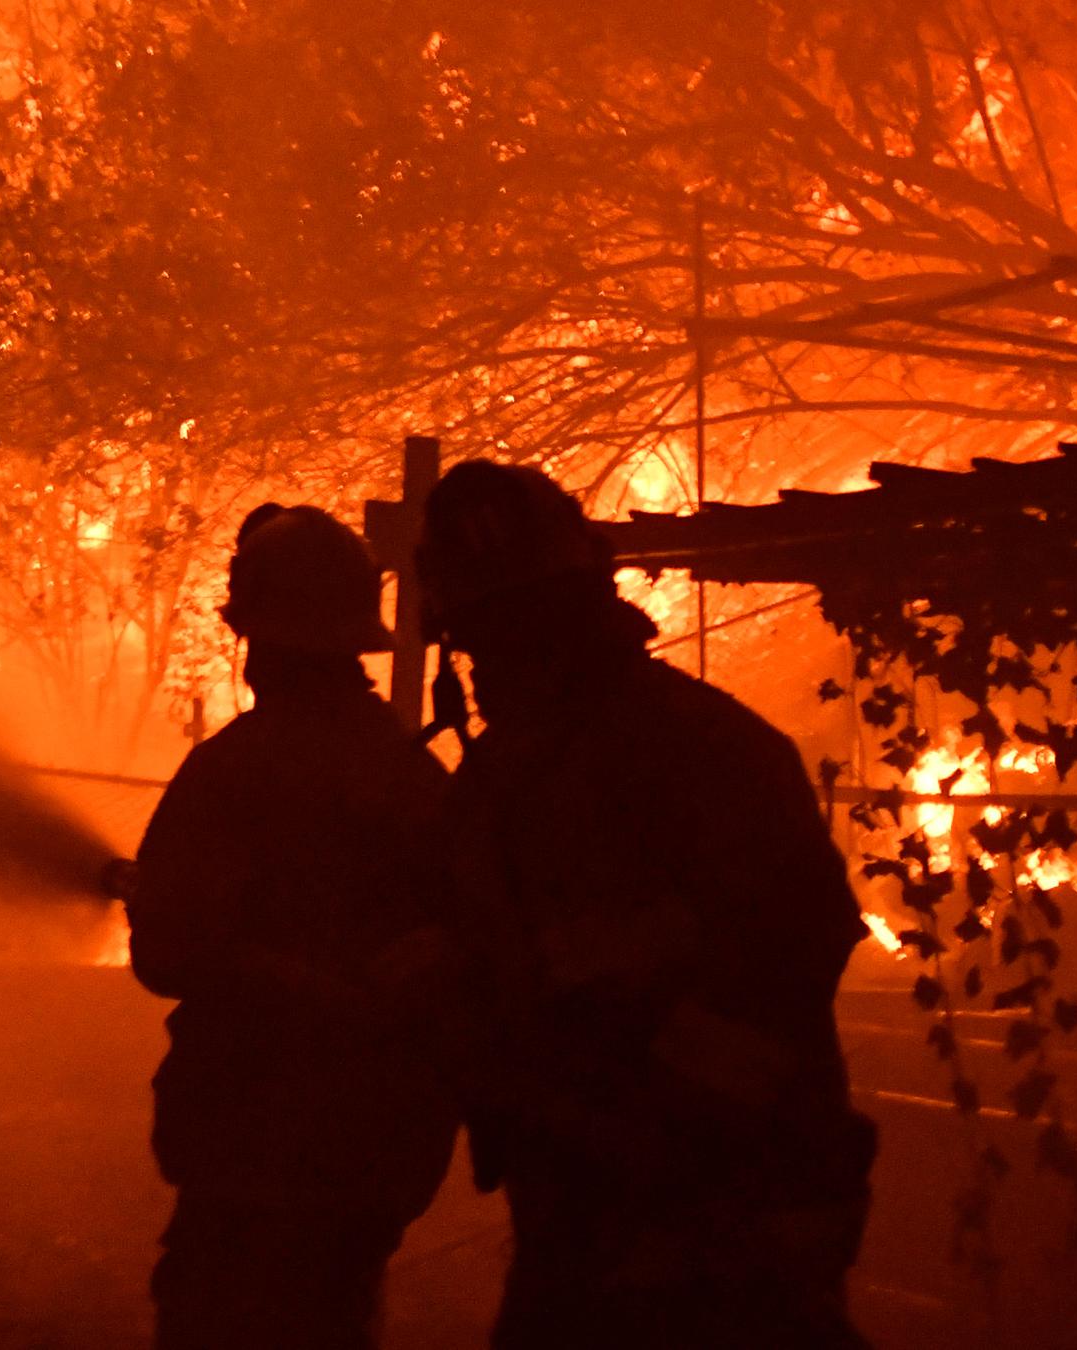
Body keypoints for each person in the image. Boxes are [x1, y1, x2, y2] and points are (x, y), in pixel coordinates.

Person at [415, 461, 876, 1349]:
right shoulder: (509, 775)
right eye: (477, 639)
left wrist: (635, 1088)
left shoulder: (696, 750)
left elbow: (794, 947)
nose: (484, 663)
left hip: (720, 1213)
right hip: (590, 1211)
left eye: (497, 633)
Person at [126, 504, 459, 1350]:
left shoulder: (232, 772)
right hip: (373, 1159)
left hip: (247, 1155)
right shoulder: (414, 776)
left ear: (256, 637)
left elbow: (165, 954)